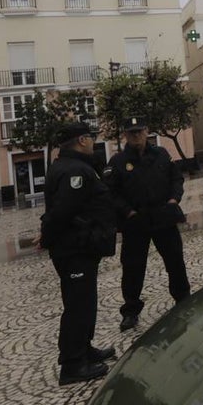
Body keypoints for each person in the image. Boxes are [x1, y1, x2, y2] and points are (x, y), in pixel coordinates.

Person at [38, 121, 117, 386]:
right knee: (77, 304)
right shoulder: (74, 170)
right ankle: (72, 364)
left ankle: (84, 348)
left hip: (82, 246)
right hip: (74, 248)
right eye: (91, 137)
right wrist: (47, 237)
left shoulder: (71, 166)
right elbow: (62, 212)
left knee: (85, 300)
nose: (93, 141)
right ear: (82, 140)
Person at [105, 115, 190, 332]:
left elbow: (176, 178)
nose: (136, 136)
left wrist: (174, 199)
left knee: (175, 261)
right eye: (132, 133)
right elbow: (111, 193)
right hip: (136, 222)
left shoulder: (161, 154)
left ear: (147, 131)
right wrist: (128, 211)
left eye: (140, 131)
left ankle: (183, 299)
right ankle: (131, 311)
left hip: (163, 217)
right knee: (133, 268)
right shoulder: (117, 162)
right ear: (125, 135)